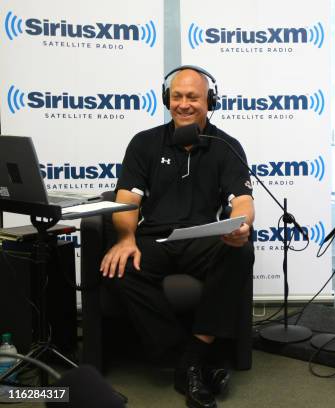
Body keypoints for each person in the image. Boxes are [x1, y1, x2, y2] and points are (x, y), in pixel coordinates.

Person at [99, 66, 254, 408]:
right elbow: (127, 198)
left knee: (241, 251)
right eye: (177, 96)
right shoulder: (144, 142)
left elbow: (241, 200)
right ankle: (194, 362)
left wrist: (240, 225)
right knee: (116, 268)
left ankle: (188, 362)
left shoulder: (226, 146)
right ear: (166, 99)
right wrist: (125, 238)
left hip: (202, 238)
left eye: (193, 97)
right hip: (155, 238)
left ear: (210, 101)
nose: (183, 104)